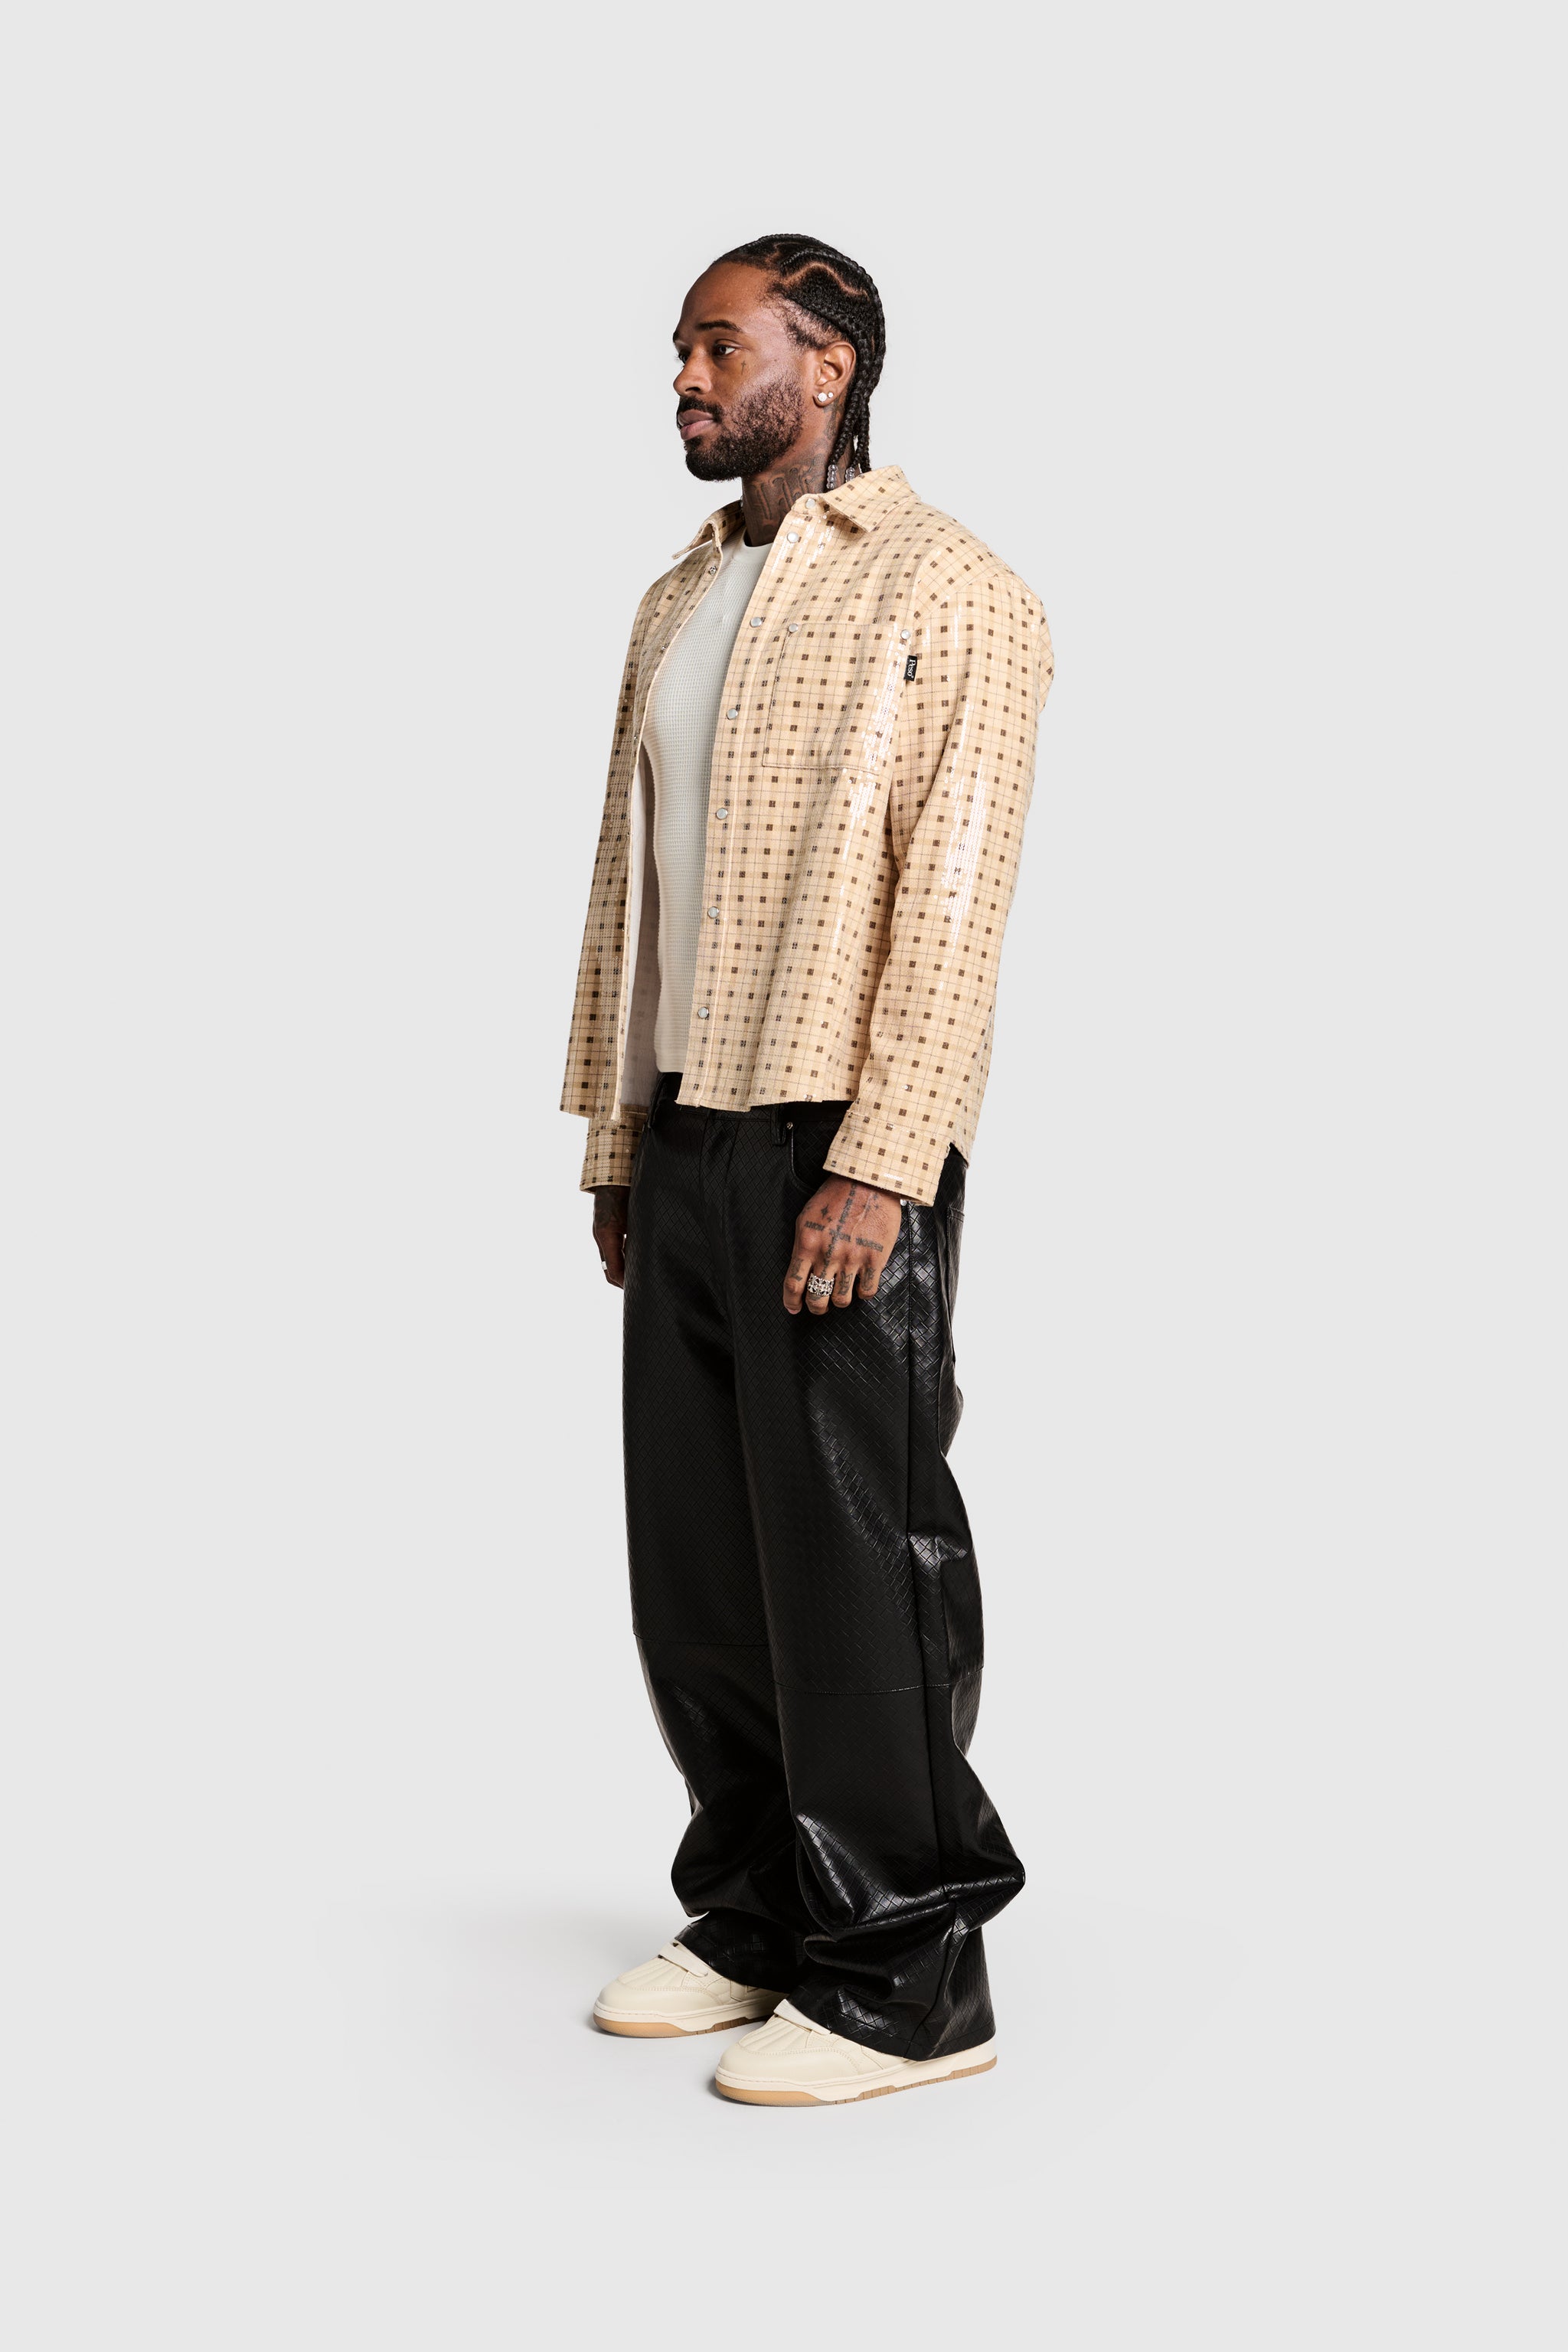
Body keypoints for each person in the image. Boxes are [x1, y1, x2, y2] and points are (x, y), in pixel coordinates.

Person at [561, 234, 1053, 2106]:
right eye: (680, 353)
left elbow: (955, 903)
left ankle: (908, 1975)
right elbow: (631, 881)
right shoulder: (679, 592)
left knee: (857, 1561)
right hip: (688, 1127)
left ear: (825, 366)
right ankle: (760, 1911)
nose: (684, 380)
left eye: (717, 347)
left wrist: (884, 1161)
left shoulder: (952, 589)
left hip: (837, 1136)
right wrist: (621, 1130)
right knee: (697, 1563)